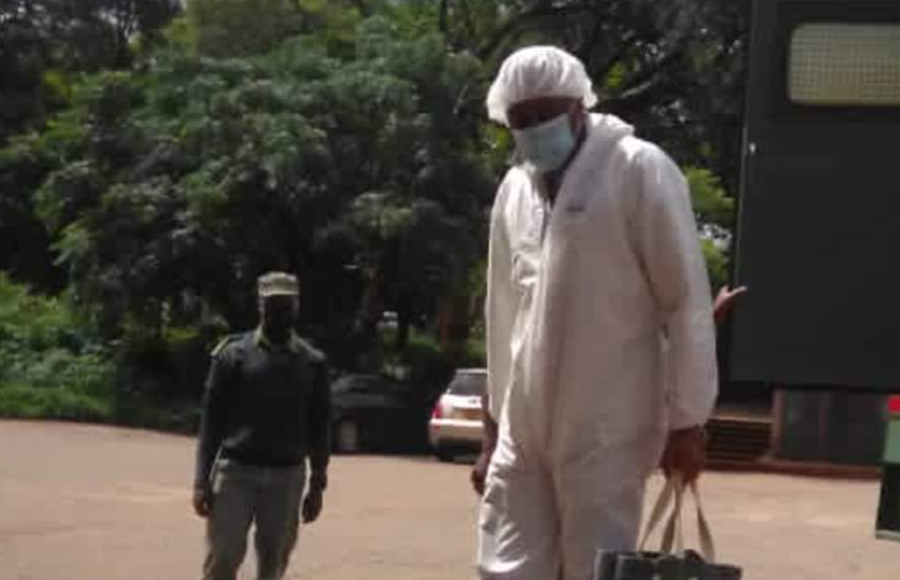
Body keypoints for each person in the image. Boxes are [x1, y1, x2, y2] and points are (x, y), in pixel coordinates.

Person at [471, 46, 719, 580]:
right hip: (523, 428)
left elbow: (685, 301)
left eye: (545, 113)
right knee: (503, 569)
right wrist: (493, 432)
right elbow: (501, 313)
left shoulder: (637, 169)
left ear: (577, 105)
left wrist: (688, 421)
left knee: (597, 569)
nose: (534, 129)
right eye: (521, 120)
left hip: (608, 425)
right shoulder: (514, 190)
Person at [192, 272, 331, 580]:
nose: (279, 311)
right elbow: (211, 422)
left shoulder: (312, 362)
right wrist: (201, 480)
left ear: (296, 306)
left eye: (286, 304)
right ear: (260, 306)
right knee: (223, 557)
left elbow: (320, 427)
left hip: (287, 478)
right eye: (273, 304)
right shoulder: (232, 356)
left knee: (273, 564)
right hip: (235, 473)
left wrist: (318, 484)